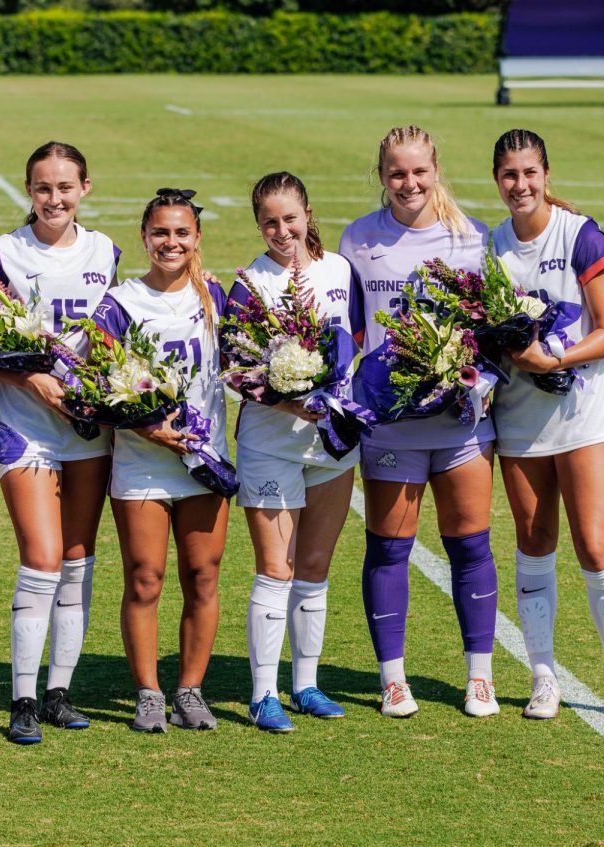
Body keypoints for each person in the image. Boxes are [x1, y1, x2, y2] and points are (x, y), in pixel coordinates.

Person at [339, 125, 501, 719]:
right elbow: (349, 331)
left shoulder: (473, 238)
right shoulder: (359, 238)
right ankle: (392, 679)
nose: (409, 183)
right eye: (396, 173)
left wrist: (475, 380)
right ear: (381, 176)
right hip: (391, 429)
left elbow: (490, 330)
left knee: (471, 547)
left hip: (461, 427)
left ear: (436, 171)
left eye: (419, 172)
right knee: (388, 549)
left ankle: (478, 678)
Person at [489, 129, 604, 723]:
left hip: (586, 412)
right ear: (497, 180)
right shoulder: (492, 248)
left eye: (530, 173)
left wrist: (552, 360)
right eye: (509, 175)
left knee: (593, 541)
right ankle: (542, 677)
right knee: (534, 542)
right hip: (521, 417)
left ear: (546, 175)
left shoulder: (580, 234)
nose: (520, 185)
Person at [0, 141, 120, 744]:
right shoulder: (2, 254)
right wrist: (33, 379)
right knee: (42, 557)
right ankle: (22, 700)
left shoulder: (105, 251)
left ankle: (59, 692)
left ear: (85, 188)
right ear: (27, 191)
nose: (53, 198)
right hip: (25, 430)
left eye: (64, 187)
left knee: (78, 560)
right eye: (41, 188)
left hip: (87, 430)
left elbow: (114, 334)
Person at [92, 188, 229, 733]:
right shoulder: (120, 303)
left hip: (202, 459)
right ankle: (148, 693)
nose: (170, 242)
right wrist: (146, 425)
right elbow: (97, 385)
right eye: (160, 233)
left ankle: (190, 690)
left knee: (203, 575)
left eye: (181, 233)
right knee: (145, 577)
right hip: (142, 461)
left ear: (197, 238)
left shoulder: (215, 296)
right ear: (144, 237)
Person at [229, 172, 360, 732]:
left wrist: (336, 406)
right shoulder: (249, 284)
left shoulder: (340, 271)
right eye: (269, 222)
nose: (281, 230)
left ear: (308, 212)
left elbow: (355, 346)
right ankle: (264, 694)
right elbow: (235, 372)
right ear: (258, 225)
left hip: (332, 443)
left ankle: (305, 683)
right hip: (269, 443)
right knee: (275, 569)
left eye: (289, 218)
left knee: (313, 567)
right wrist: (292, 405)